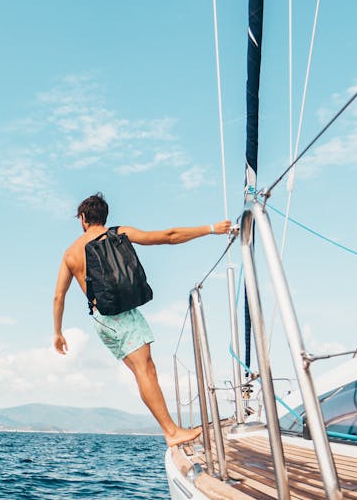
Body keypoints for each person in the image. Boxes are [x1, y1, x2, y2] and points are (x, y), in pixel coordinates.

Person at [53, 192, 232, 448]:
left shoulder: (71, 253)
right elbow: (169, 236)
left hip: (103, 319)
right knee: (146, 370)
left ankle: (171, 430)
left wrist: (57, 332)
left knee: (144, 371)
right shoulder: (120, 232)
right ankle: (171, 432)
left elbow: (59, 296)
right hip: (123, 315)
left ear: (82, 218)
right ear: (104, 216)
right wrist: (211, 229)